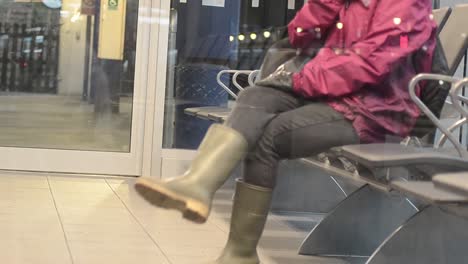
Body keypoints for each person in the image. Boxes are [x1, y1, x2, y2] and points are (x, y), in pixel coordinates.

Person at [135, 0, 437, 263]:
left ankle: (239, 253)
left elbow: (371, 64)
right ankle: (198, 184)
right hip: (328, 93)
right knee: (254, 97)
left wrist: (301, 80)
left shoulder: (405, 3)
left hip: (373, 112)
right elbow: (299, 38)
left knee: (269, 137)